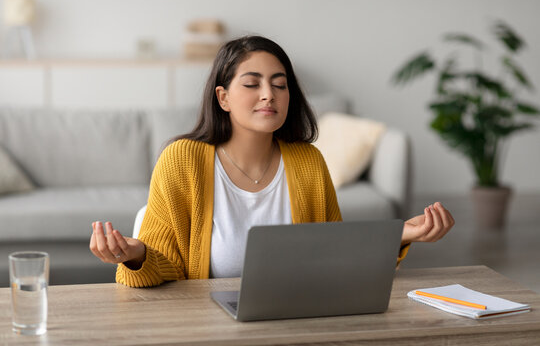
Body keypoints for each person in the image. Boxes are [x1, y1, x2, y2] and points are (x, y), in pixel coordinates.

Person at [90, 36, 454, 287]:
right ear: (223, 97)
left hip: (295, 321)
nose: (269, 95)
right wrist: (136, 256)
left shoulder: (308, 161)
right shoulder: (181, 160)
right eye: (252, 84)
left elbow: (334, 254)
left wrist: (401, 235)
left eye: (280, 84)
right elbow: (163, 269)